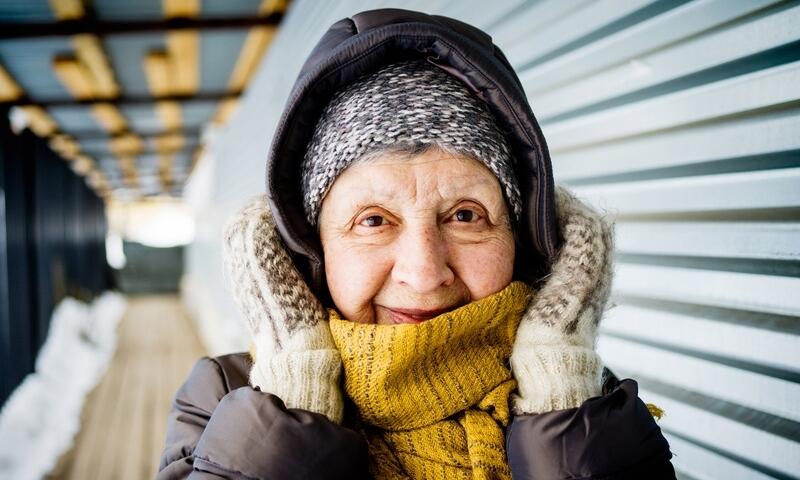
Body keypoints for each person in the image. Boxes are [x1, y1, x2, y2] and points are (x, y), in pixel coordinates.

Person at [158, 8, 677, 480]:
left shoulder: (585, 399)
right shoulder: (227, 398)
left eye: (466, 215)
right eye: (374, 220)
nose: (424, 272)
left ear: (518, 235)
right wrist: (293, 408)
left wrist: (563, 408)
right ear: (313, 248)